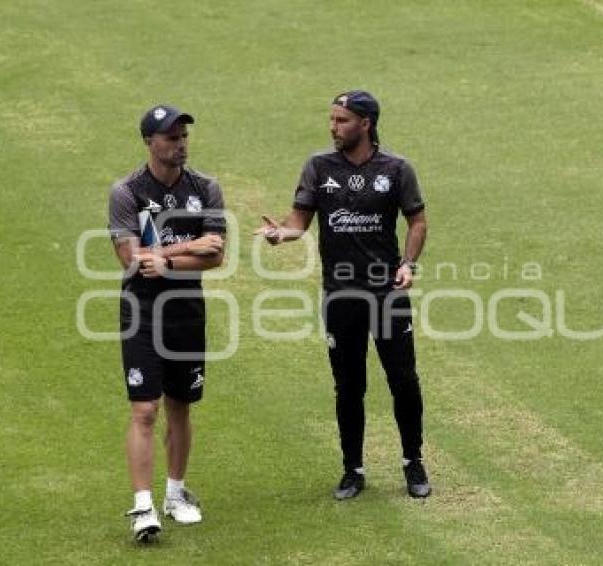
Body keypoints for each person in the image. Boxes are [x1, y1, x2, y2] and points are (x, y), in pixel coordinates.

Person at [255, 90, 431, 499]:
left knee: (403, 380)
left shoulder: (397, 169)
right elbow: (299, 220)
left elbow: (417, 221)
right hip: (340, 296)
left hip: (386, 293)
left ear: (365, 123)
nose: (333, 127)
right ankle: (352, 469)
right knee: (349, 386)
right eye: (331, 120)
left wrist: (408, 264)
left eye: (342, 121)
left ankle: (413, 463)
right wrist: (281, 233)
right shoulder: (318, 167)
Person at [108, 104, 226, 541]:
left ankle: (176, 495)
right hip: (141, 314)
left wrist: (167, 259)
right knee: (145, 408)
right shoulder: (127, 192)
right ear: (149, 142)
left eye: (183, 137)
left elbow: (216, 256)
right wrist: (189, 246)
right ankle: (143, 507)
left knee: (181, 405)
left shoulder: (206, 188)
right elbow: (130, 259)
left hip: (186, 314)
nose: (180, 144)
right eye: (171, 138)